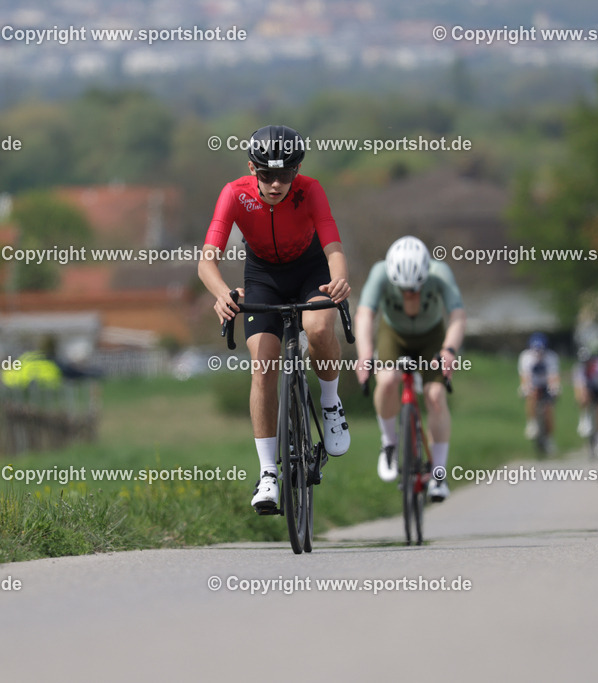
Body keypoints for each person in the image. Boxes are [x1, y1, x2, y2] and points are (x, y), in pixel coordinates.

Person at [197, 124, 351, 511]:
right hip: (262, 277)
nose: (277, 184)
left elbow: (332, 245)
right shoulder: (234, 194)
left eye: (286, 174)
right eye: (267, 175)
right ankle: (268, 473)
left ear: (297, 170)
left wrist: (338, 279)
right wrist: (222, 293)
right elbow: (206, 261)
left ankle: (331, 403)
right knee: (263, 363)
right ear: (252, 168)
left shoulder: (310, 190)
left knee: (318, 327)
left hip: (310, 271)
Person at [354, 236, 465, 502]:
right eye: (403, 289)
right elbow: (365, 314)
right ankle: (389, 442)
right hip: (394, 334)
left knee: (435, 395)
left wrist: (449, 350)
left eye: (415, 288)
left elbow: (457, 315)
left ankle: (438, 474)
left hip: (431, 336)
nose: (409, 294)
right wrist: (365, 354)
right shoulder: (380, 273)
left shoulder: (440, 273)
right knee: (387, 380)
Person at [518, 333, 560, 448]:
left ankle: (549, 438)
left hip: (546, 384)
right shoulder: (525, 357)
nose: (538, 353)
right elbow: (525, 377)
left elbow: (553, 376)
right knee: (531, 395)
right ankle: (532, 423)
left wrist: (555, 389)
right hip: (533, 384)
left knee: (549, 410)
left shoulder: (551, 357)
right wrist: (525, 388)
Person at [572, 342, 598, 438]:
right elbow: (578, 386)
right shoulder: (578, 368)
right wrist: (580, 400)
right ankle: (584, 417)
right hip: (587, 390)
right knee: (584, 394)